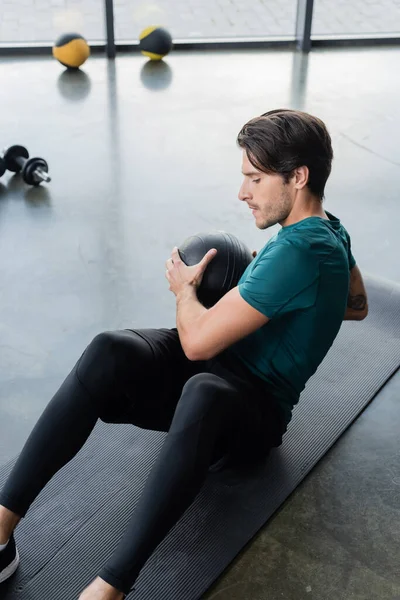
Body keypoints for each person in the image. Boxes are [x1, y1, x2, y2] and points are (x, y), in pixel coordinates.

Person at [0, 109, 368, 599]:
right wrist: (277, 297)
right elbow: (356, 305)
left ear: (297, 177)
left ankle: (107, 589)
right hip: (220, 365)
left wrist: (184, 290)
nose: (243, 193)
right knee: (110, 350)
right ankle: (1, 528)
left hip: (250, 414)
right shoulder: (331, 230)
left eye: (255, 179)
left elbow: (195, 343)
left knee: (203, 390)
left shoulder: (301, 250)